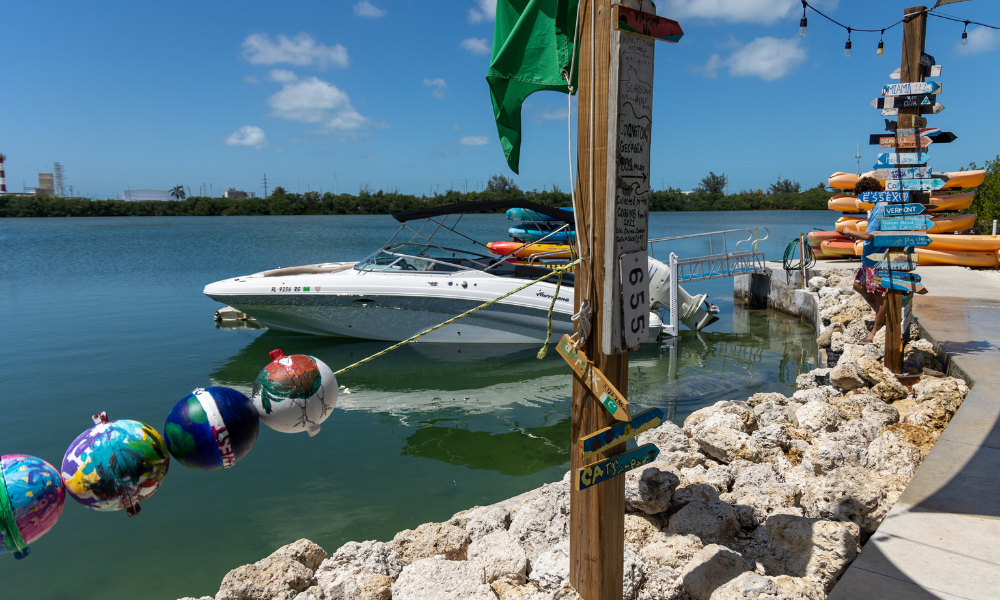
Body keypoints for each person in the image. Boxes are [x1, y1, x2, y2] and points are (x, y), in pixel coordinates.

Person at [841, 177, 886, 345]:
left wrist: (849, 230)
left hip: (877, 260)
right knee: (858, 286)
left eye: (861, 196)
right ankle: (881, 317)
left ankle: (875, 331)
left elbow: (869, 236)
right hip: (868, 260)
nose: (860, 200)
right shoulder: (876, 207)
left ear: (869, 193)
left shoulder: (881, 208)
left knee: (879, 296)